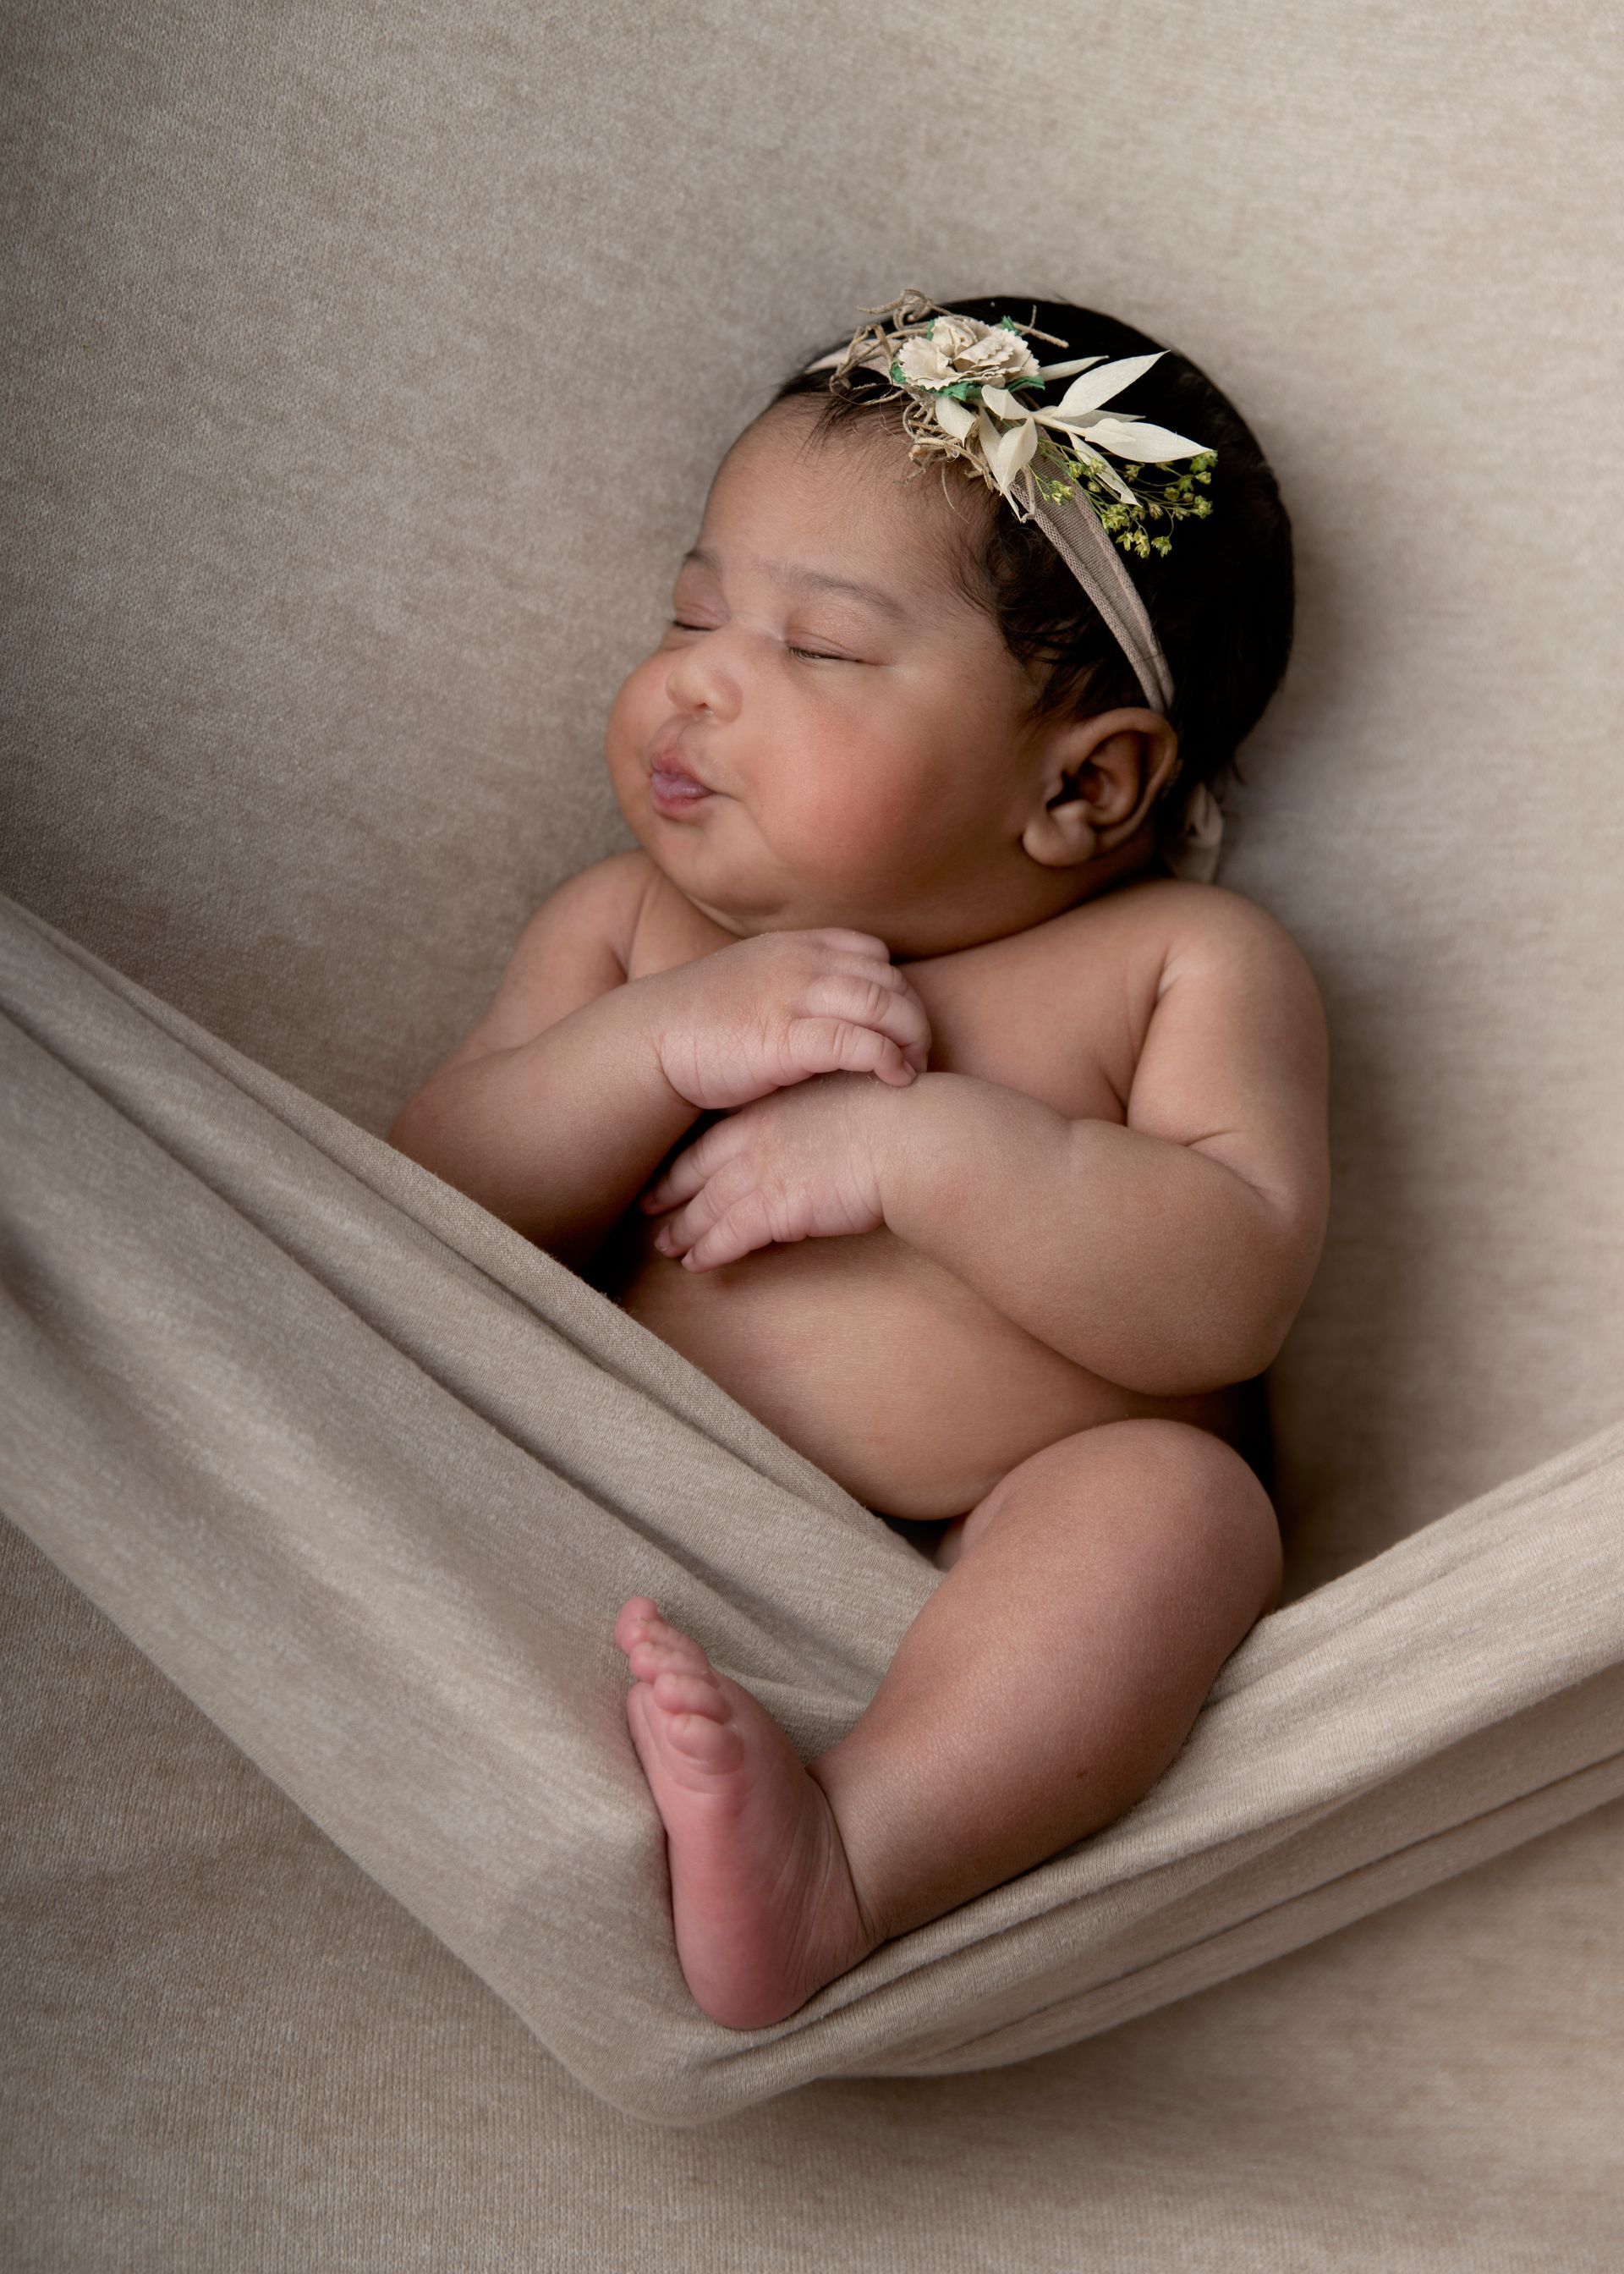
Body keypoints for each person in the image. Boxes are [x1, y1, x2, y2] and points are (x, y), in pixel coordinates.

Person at [388, 291, 1330, 2032]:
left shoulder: (1180, 969)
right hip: (611, 1527)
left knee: (1186, 1511)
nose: (692, 680)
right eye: (692, 610)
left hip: (992, 1582)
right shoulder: (633, 935)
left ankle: (852, 1857)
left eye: (818, 648)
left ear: (1088, 785)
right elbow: (410, 1219)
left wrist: (932, 1155)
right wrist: (658, 1047)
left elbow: (1233, 1292)